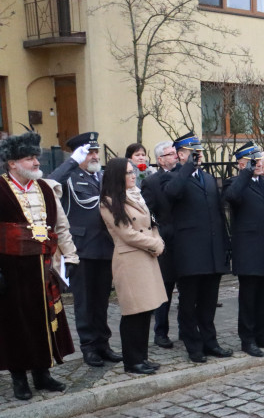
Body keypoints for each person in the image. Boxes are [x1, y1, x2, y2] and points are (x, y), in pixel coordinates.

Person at [0, 131, 77, 399]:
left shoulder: (45, 187)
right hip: (11, 271)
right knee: (16, 324)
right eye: (30, 158)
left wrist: (70, 256)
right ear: (12, 163)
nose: (35, 162)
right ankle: (19, 377)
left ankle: (42, 373)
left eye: (36, 157)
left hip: (44, 267)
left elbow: (59, 225)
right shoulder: (0, 188)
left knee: (45, 320)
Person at [48, 131, 122, 368]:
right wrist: (71, 162)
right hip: (81, 250)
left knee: (101, 301)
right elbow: (47, 185)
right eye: (88, 152)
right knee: (85, 302)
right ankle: (89, 347)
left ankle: (103, 344)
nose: (94, 156)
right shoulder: (69, 177)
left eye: (95, 151)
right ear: (77, 153)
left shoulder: (99, 177)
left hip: (104, 246)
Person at [164, 132, 232, 363]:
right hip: (189, 253)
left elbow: (218, 214)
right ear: (181, 154)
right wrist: (186, 168)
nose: (199, 155)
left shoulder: (208, 178)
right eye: (193, 152)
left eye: (199, 151)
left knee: (209, 302)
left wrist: (225, 243)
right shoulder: (173, 177)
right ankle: (193, 345)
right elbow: (172, 194)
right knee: (188, 303)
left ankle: (210, 341)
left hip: (212, 251)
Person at [98, 157, 166, 375]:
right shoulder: (108, 202)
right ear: (118, 176)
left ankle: (142, 357)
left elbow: (151, 223)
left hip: (147, 257)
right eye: (128, 173)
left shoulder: (136, 196)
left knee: (146, 310)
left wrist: (158, 241)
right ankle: (132, 360)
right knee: (133, 313)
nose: (133, 175)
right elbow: (126, 234)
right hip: (130, 261)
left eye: (133, 171)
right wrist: (155, 244)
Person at [223, 142, 264, 357]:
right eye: (253, 161)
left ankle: (263, 334)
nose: (257, 165)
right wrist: (246, 174)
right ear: (241, 163)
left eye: (258, 161)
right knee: (249, 298)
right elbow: (231, 198)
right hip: (249, 252)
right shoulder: (235, 183)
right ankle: (247, 339)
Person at [141, 140, 179, 349]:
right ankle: (161, 332)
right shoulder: (152, 182)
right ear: (160, 159)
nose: (175, 156)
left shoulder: (184, 176)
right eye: (171, 154)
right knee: (165, 289)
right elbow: (148, 213)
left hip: (186, 240)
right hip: (166, 241)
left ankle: (187, 327)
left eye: (175, 153)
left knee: (188, 288)